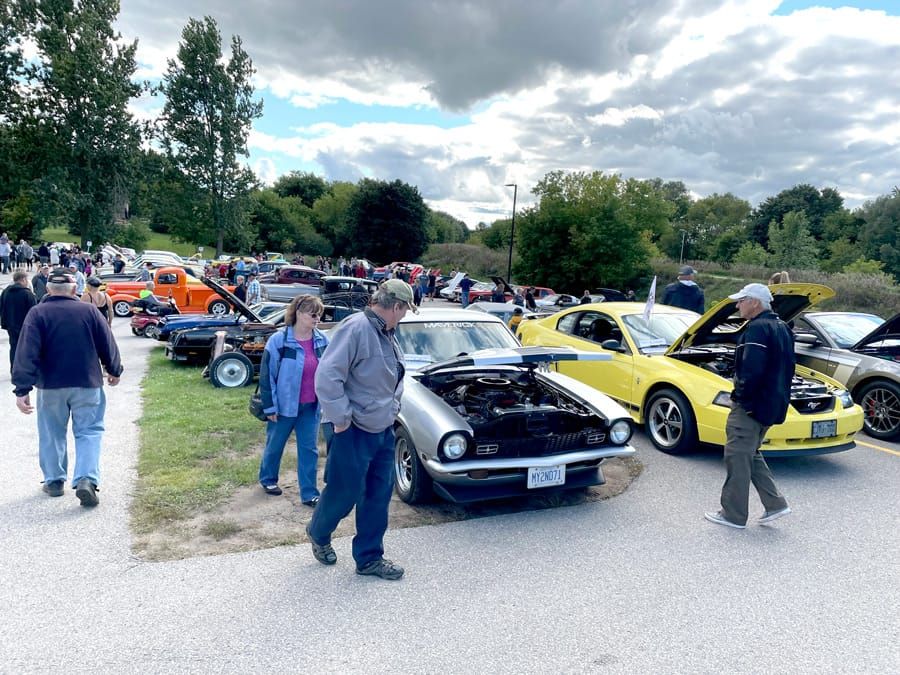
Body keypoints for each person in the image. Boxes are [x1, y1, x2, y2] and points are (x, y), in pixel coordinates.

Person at [306, 279, 417, 581]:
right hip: (352, 428)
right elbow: (327, 377)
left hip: (381, 427)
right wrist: (341, 419)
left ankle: (369, 559)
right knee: (345, 492)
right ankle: (318, 532)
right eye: (405, 310)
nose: (405, 315)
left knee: (378, 493)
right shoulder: (355, 329)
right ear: (396, 306)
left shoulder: (388, 333)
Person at [11, 268, 123, 506]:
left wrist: (22, 389)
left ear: (48, 289)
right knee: (89, 432)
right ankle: (86, 479)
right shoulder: (90, 311)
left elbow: (25, 352)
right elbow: (108, 343)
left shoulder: (37, 313)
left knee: (52, 433)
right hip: (87, 382)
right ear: (74, 289)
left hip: (50, 386)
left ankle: (53, 481)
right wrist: (114, 369)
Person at [705, 283, 792, 529]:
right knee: (750, 454)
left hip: (750, 407)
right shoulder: (782, 327)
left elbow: (751, 371)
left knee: (736, 457)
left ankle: (733, 515)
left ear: (754, 302)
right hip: (771, 405)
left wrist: (740, 398)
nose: (737, 305)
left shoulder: (756, 329)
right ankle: (775, 504)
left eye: (741, 300)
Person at [258, 295, 329, 504]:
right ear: (298, 313)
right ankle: (268, 479)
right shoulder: (278, 340)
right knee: (275, 445)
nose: (317, 319)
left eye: (319, 315)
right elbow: (266, 376)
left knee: (309, 450)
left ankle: (309, 493)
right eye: (313, 314)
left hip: (311, 407)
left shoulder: (323, 340)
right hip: (283, 407)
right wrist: (270, 406)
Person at [1, 270, 37, 370]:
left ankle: (14, 369)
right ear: (23, 279)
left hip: (10, 325)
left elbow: (1, 308)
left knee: (13, 347)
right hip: (24, 325)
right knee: (26, 348)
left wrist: (4, 323)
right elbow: (33, 312)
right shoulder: (27, 294)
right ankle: (24, 369)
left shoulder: (6, 292)